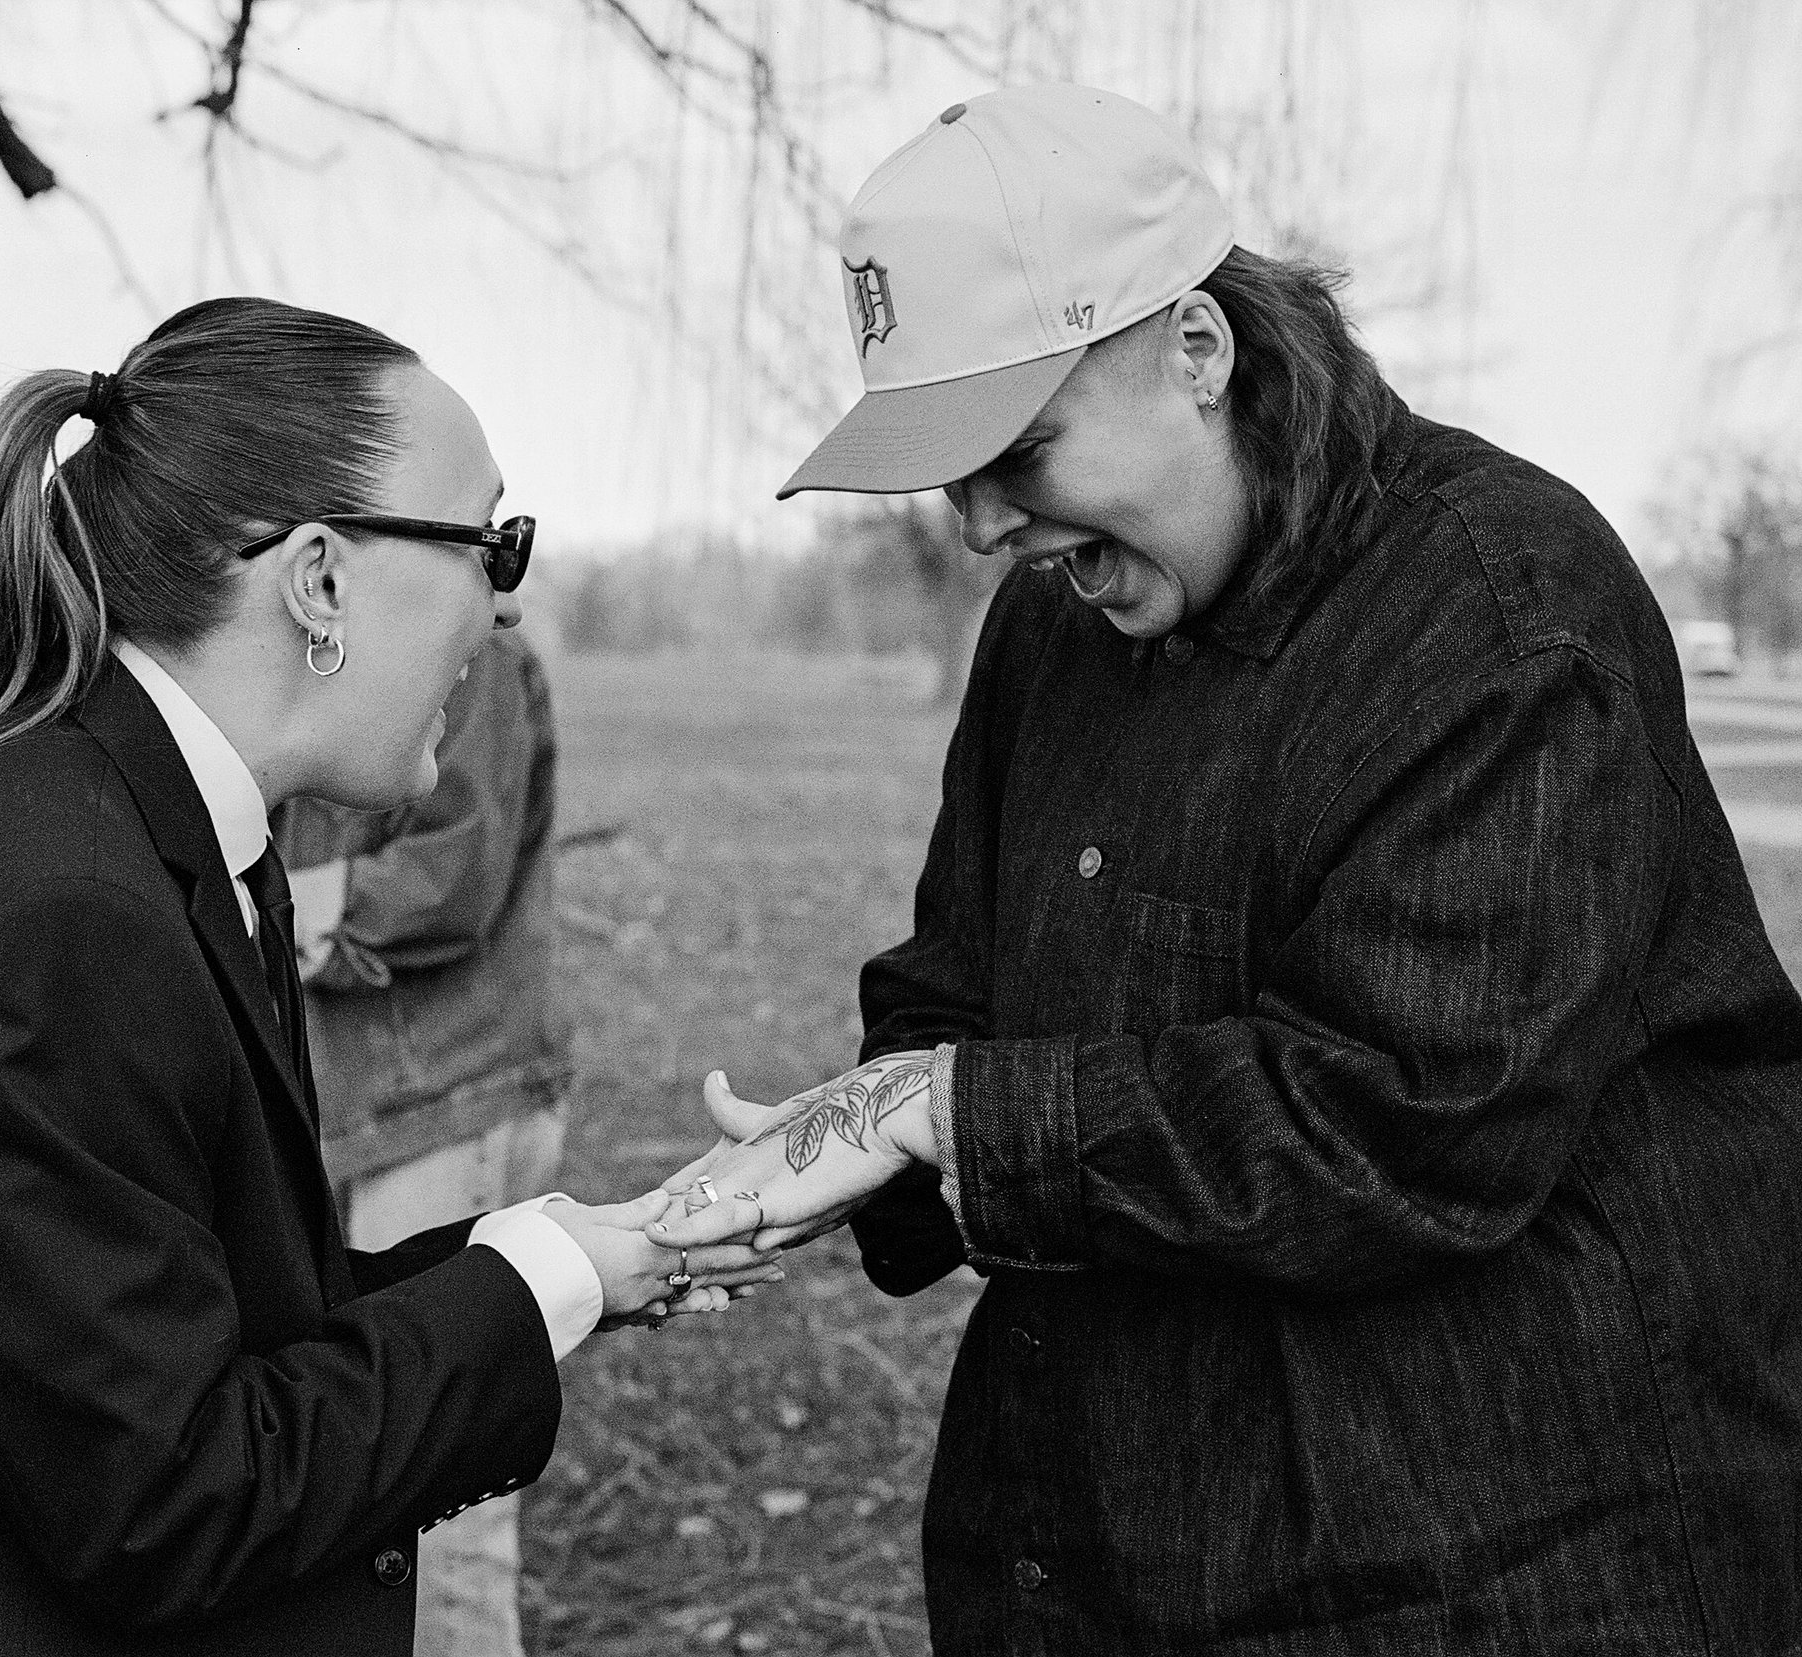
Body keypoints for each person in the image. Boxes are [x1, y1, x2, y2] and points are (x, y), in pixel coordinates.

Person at [655, 85, 1802, 1653]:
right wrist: (865, 1143)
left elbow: (1408, 1123)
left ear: (1199, 351)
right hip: (1105, 1552)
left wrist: (951, 1115)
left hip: (1491, 1565)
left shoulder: (1503, 610)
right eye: (948, 470)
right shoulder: (1052, 627)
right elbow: (955, 986)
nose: (984, 523)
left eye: (1021, 447)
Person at [0, 298, 778, 1657]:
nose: (503, 609)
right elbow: (171, 1502)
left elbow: (207, 1320)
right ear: (319, 578)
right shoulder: (62, 922)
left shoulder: (169, 841)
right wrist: (527, 1283)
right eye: (488, 542)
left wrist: (574, 1260)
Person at [271, 623, 568, 1657]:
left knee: (444, 1505)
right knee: (377, 1466)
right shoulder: (320, 652)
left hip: (454, 1099)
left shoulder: (472, 652)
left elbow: (461, 870)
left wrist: (310, 904)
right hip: (370, 1111)